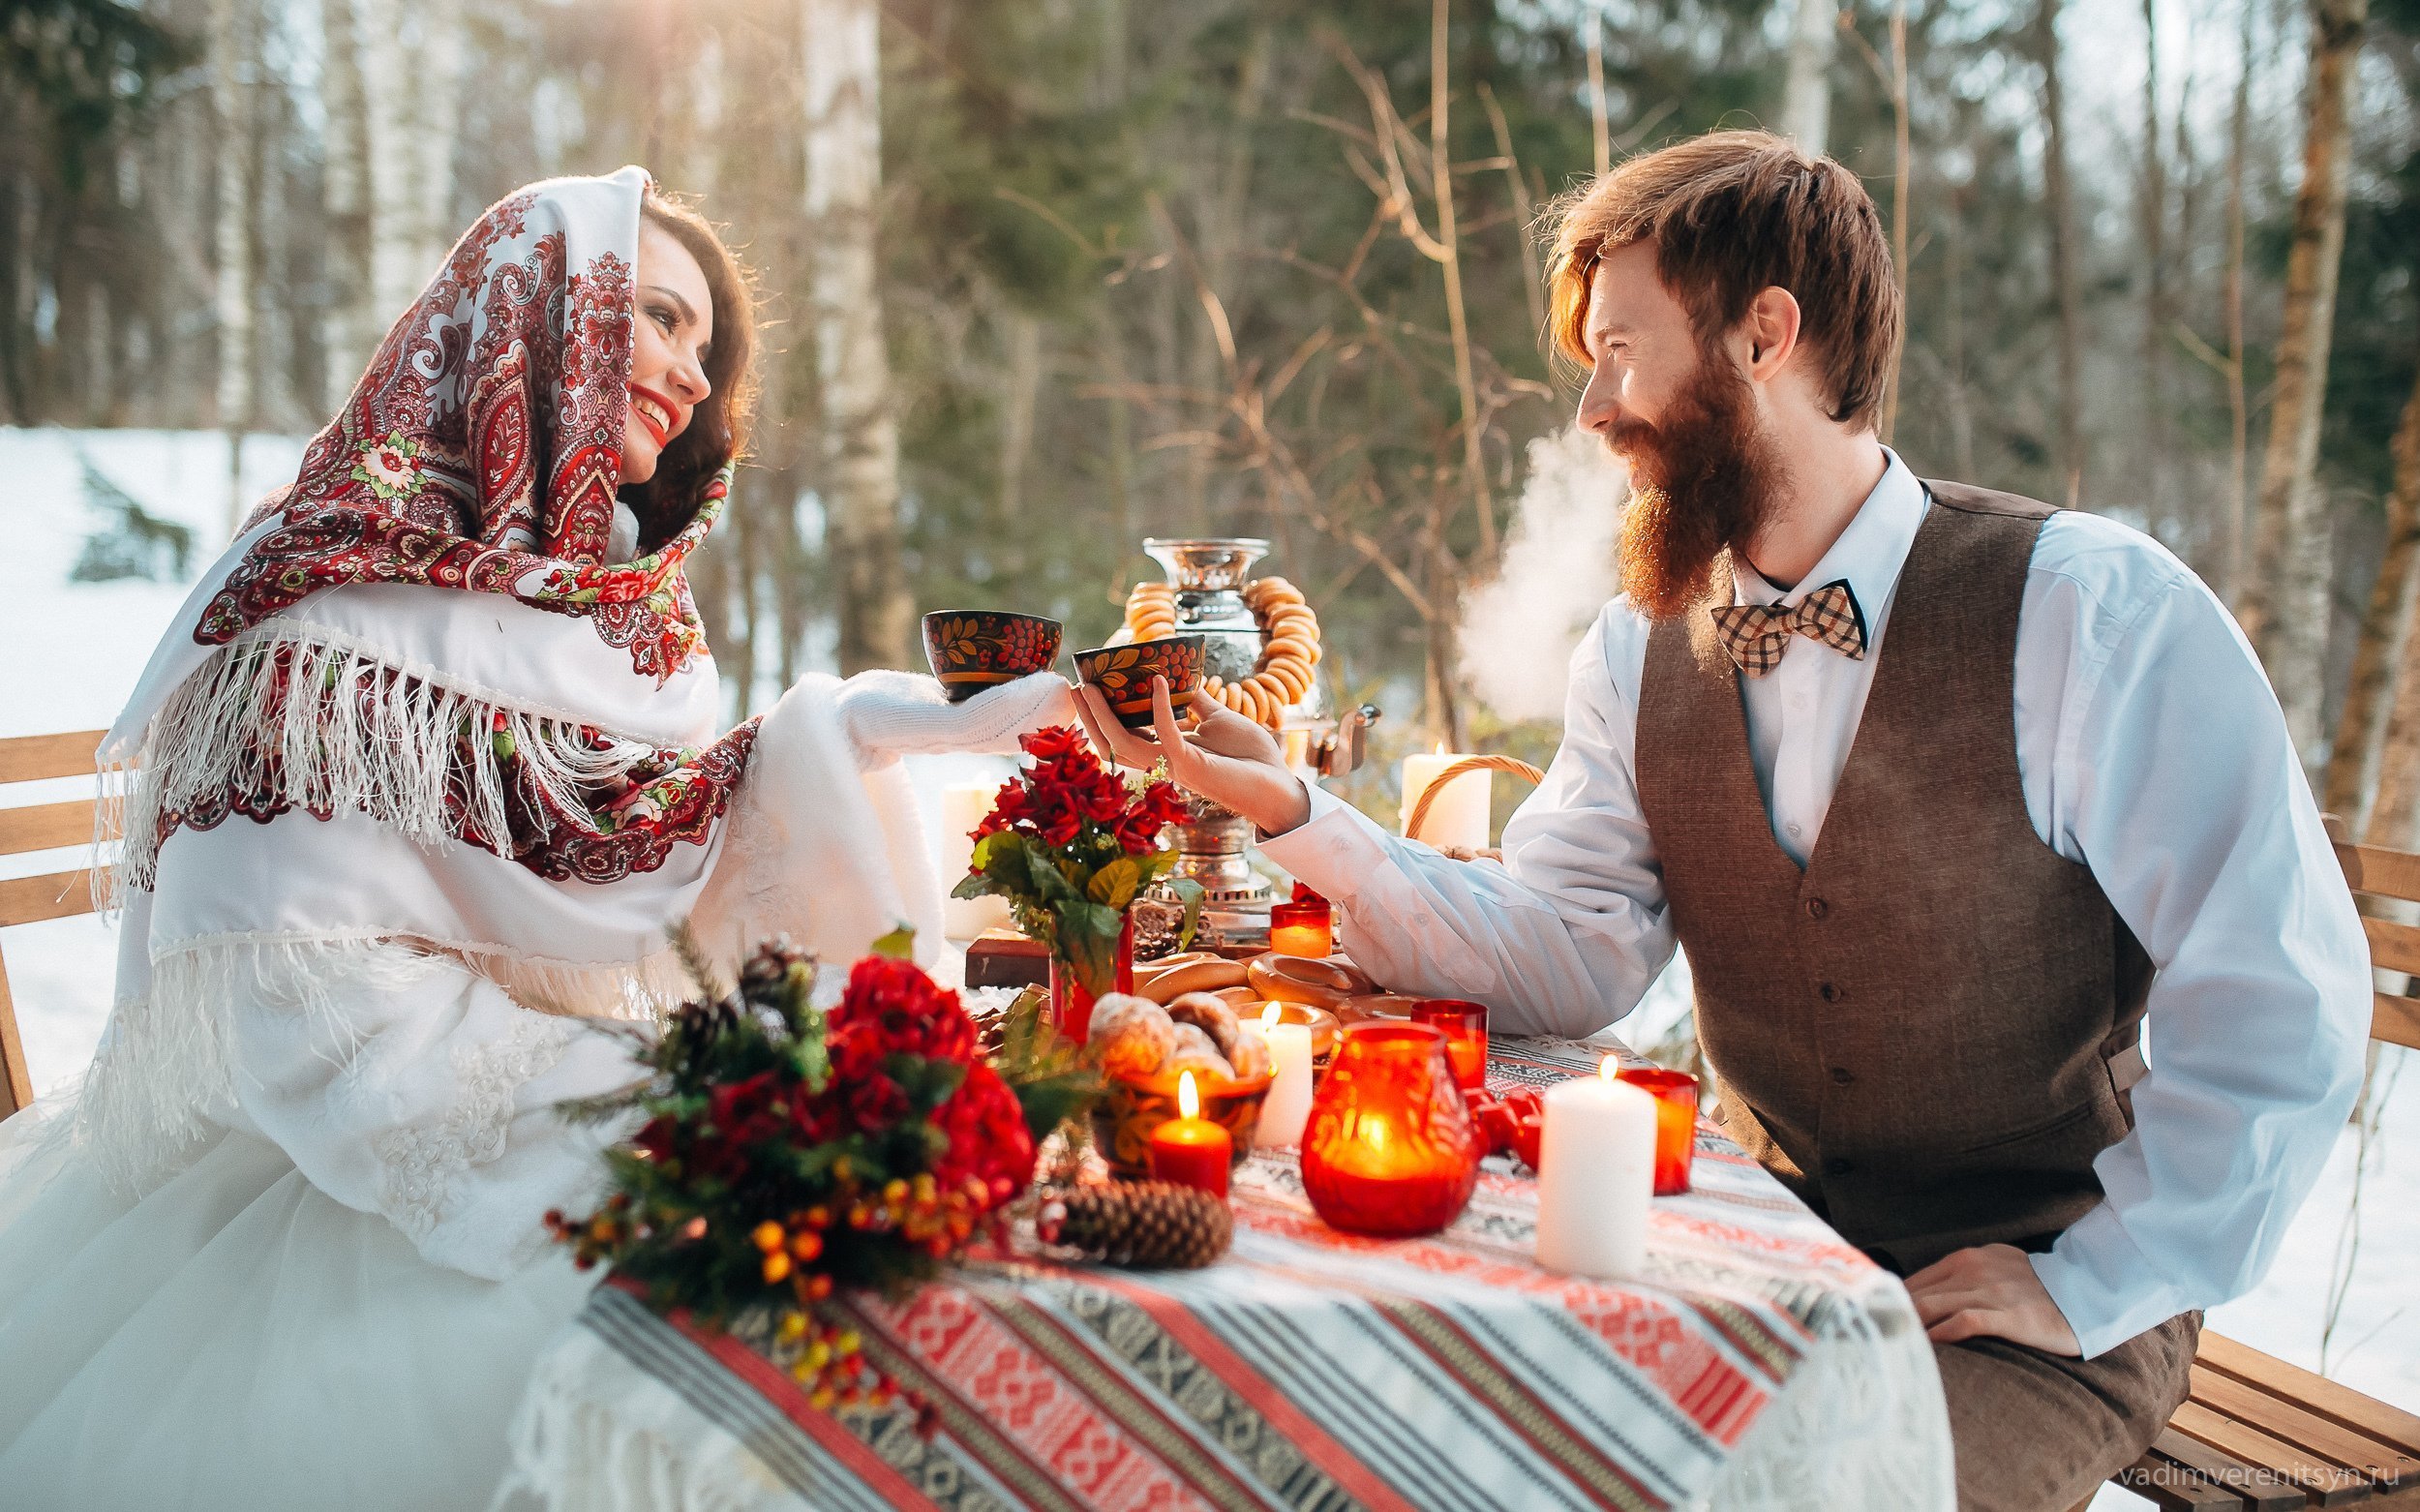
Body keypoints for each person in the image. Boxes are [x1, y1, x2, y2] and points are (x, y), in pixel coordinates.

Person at [1074, 130, 2371, 1511]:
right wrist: (1287, 805)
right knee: (1483, 1449)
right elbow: (1569, 950)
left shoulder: (2089, 611)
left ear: (1766, 335)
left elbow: (2279, 995)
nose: (1592, 409)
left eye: (1621, 348)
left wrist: (2096, 1279)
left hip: (2037, 1301)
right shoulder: (1639, 649)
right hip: (1766, 1243)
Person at [0, 167, 1067, 1510]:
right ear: (536, 320)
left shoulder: (608, 623)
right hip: (362, 1184)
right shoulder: (319, 617)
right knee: (771, 1374)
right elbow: (304, 1016)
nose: (690, 372)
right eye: (659, 317)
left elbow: (681, 831)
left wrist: (896, 727)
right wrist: (644, 1112)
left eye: (705, 346)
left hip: (552, 1115)